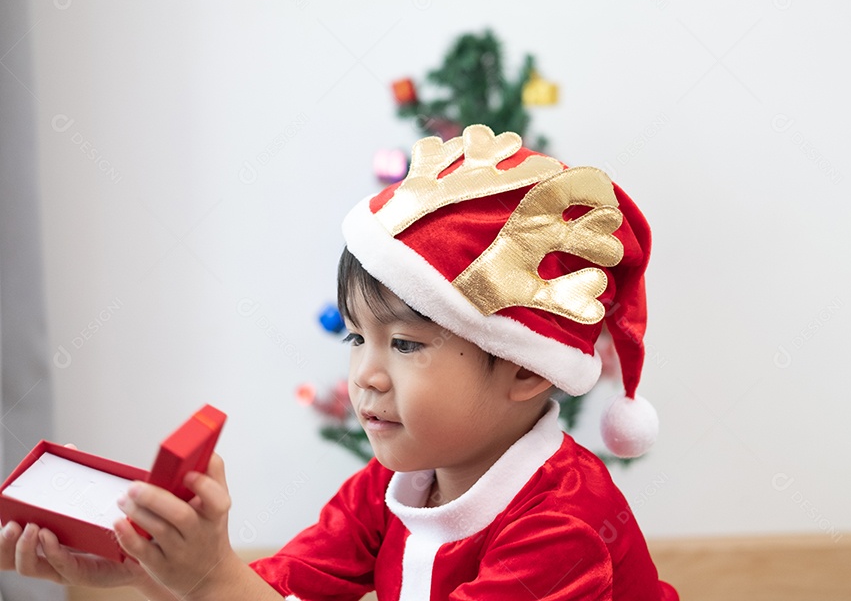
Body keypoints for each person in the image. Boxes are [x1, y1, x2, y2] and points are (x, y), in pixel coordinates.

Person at [0, 125, 679, 600]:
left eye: (405, 344)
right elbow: (281, 587)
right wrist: (150, 567)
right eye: (357, 339)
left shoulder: (563, 525)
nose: (366, 376)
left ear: (525, 369)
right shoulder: (395, 485)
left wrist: (212, 581)